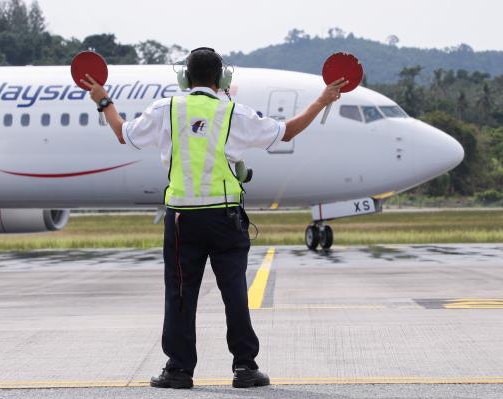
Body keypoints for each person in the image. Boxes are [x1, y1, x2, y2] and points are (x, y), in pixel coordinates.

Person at [82, 47, 347, 389]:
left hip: (182, 219)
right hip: (224, 218)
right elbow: (288, 131)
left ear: (184, 77)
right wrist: (323, 100)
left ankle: (178, 370)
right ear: (223, 78)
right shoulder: (234, 113)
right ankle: (245, 368)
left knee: (179, 292)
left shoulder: (167, 109)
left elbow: (123, 133)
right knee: (235, 292)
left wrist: (104, 101)